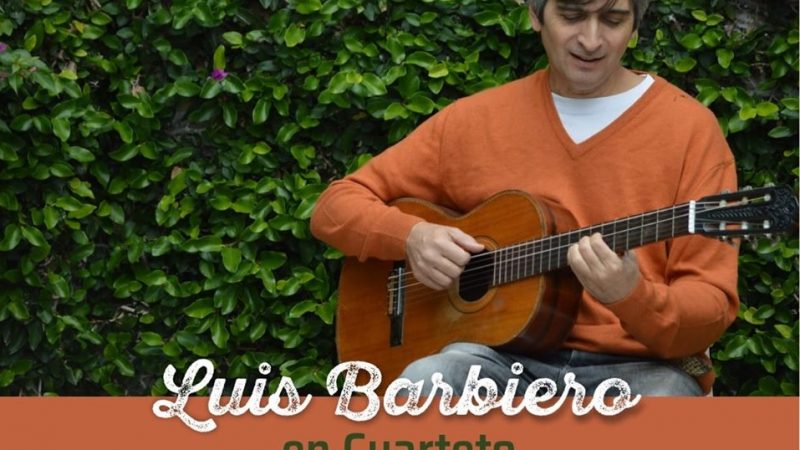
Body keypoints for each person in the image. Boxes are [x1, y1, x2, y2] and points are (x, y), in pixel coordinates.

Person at [310, 0, 739, 396]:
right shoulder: (475, 121)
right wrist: (411, 237)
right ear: (536, 14)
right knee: (424, 385)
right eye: (571, 15)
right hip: (494, 360)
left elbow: (711, 304)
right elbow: (335, 207)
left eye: (613, 20)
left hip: (642, 369)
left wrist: (632, 295)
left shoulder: (689, 130)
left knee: (665, 407)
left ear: (635, 26)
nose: (591, 40)